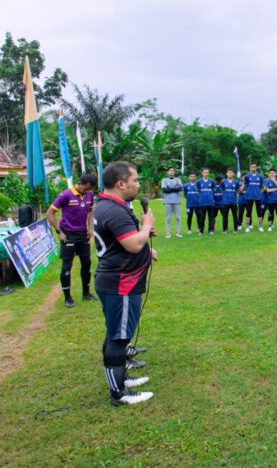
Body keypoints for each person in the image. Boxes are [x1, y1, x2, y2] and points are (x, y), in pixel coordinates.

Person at [94, 161, 156, 406]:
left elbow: (122, 243)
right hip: (121, 283)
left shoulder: (109, 206)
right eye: (135, 180)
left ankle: (122, 378)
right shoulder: (114, 211)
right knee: (119, 338)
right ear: (121, 183)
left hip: (118, 280)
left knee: (116, 333)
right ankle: (118, 393)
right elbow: (132, 244)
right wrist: (147, 227)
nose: (138, 185)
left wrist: (145, 249)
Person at [46, 173, 98, 308]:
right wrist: (59, 232)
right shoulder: (65, 195)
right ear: (80, 183)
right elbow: (50, 213)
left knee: (86, 263)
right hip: (68, 235)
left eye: (90, 189)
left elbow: (91, 210)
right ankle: (68, 298)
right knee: (67, 266)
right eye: (86, 188)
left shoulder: (89, 195)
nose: (87, 191)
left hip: (83, 235)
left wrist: (89, 228)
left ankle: (86, 294)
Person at [242, 163, 266, 232]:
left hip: (258, 197)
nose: (253, 168)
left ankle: (260, 226)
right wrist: (247, 192)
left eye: (254, 167)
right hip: (249, 197)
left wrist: (260, 192)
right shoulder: (247, 176)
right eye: (252, 167)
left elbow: (263, 187)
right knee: (248, 212)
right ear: (250, 168)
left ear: (256, 168)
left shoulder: (260, 176)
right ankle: (247, 227)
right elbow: (245, 186)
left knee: (259, 212)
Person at [160, 167, 183, 239]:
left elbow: (180, 188)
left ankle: (178, 232)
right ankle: (168, 233)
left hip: (177, 201)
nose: (172, 172)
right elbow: (164, 190)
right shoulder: (164, 180)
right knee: (168, 218)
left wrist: (170, 188)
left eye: (173, 170)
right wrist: (175, 189)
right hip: (168, 202)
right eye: (170, 170)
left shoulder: (178, 180)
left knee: (178, 218)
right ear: (168, 172)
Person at [219, 169, 241, 234]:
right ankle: (224, 229)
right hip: (225, 202)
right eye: (228, 172)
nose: (230, 174)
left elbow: (238, 191)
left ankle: (236, 229)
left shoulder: (236, 182)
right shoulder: (223, 182)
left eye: (231, 172)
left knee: (235, 216)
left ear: (233, 174)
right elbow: (222, 191)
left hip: (234, 202)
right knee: (225, 216)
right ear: (226, 174)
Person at [196, 168, 215, 236]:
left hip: (210, 202)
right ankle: (201, 231)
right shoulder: (198, 182)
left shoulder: (212, 181)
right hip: (202, 203)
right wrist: (200, 199)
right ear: (202, 173)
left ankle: (211, 230)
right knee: (202, 217)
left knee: (211, 217)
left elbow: (213, 190)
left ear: (208, 173)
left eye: (207, 172)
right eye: (204, 172)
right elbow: (197, 192)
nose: (206, 173)